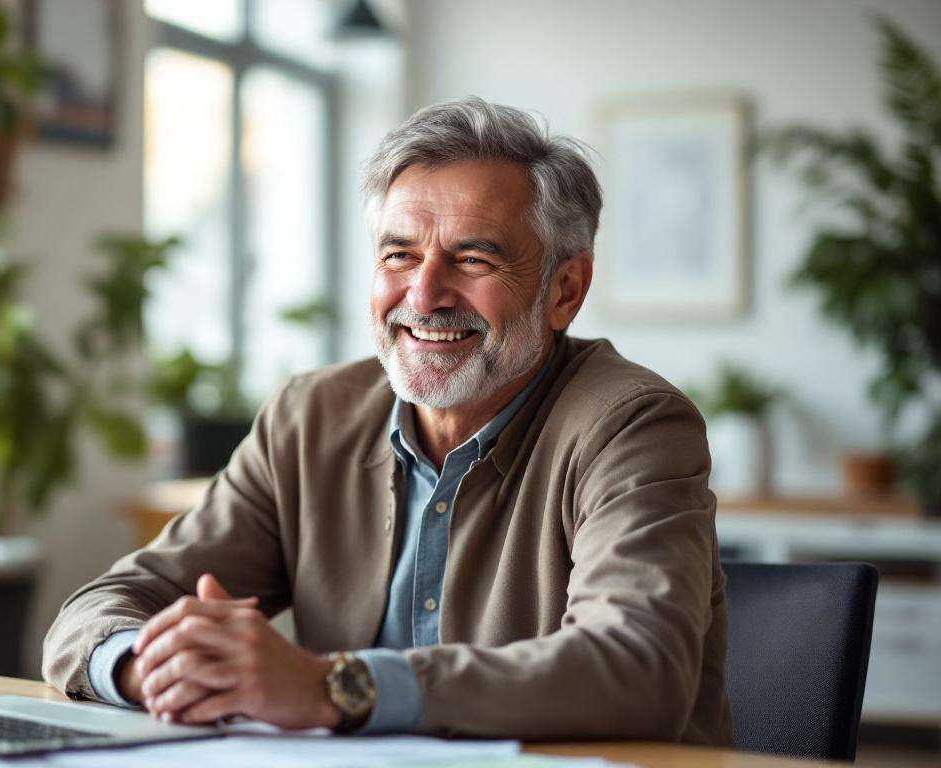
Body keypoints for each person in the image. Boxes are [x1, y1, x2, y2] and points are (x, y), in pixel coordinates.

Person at [43, 97, 733, 744]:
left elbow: (637, 668)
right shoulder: (309, 418)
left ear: (565, 291)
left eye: (473, 258)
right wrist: (148, 666)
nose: (424, 293)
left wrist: (335, 687)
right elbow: (108, 604)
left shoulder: (634, 424)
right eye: (399, 254)